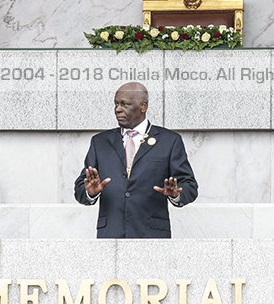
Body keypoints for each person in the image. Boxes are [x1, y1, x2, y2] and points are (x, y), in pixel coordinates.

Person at [74, 82, 198, 238]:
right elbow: (80, 187)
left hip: (152, 236)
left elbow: (189, 185)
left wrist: (176, 194)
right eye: (116, 104)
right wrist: (90, 193)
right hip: (110, 235)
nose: (118, 109)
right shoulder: (100, 142)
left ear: (143, 106)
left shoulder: (169, 141)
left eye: (125, 104)